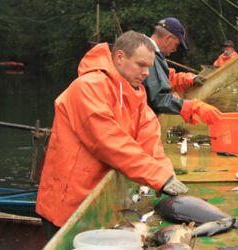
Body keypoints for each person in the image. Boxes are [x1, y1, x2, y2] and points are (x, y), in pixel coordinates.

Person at [36, 31, 188, 241]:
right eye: (140, 65)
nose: (146, 73)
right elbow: (108, 141)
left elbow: (151, 142)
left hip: (99, 202)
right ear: (120, 57)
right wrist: (158, 178)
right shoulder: (87, 87)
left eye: (149, 67)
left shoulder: (136, 95)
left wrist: (167, 176)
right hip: (67, 205)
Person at [144, 17, 222, 126]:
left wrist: (189, 79)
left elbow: (166, 79)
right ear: (168, 38)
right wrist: (192, 107)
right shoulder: (148, 55)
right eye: (176, 44)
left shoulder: (152, 53)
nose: (175, 49)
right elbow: (158, 99)